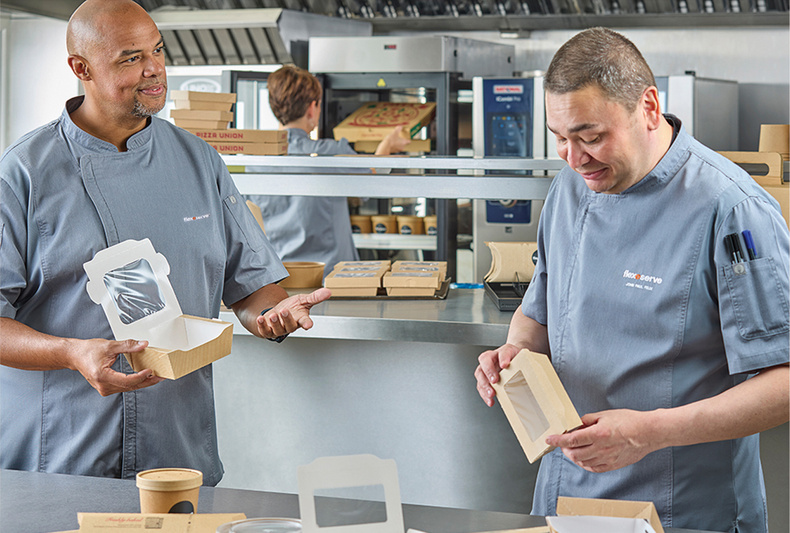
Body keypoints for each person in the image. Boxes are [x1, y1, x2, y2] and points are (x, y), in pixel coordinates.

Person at [0, 0, 330, 485]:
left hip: (176, 457)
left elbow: (252, 291)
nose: (155, 69)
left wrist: (274, 316)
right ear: (81, 68)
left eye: (157, 50)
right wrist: (71, 352)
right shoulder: (23, 172)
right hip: (60, 458)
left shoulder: (199, 162)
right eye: (131, 58)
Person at [474, 28, 789, 532]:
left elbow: (783, 381)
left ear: (648, 106)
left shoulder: (734, 211)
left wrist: (650, 432)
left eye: (591, 136)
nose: (575, 159)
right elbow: (541, 308)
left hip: (681, 506)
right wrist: (515, 351)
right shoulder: (569, 191)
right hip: (567, 498)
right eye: (561, 139)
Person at [247, 65, 411, 275]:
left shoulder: (256, 160)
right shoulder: (332, 153)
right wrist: (387, 146)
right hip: (333, 278)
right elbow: (371, 181)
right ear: (312, 108)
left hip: (282, 278)